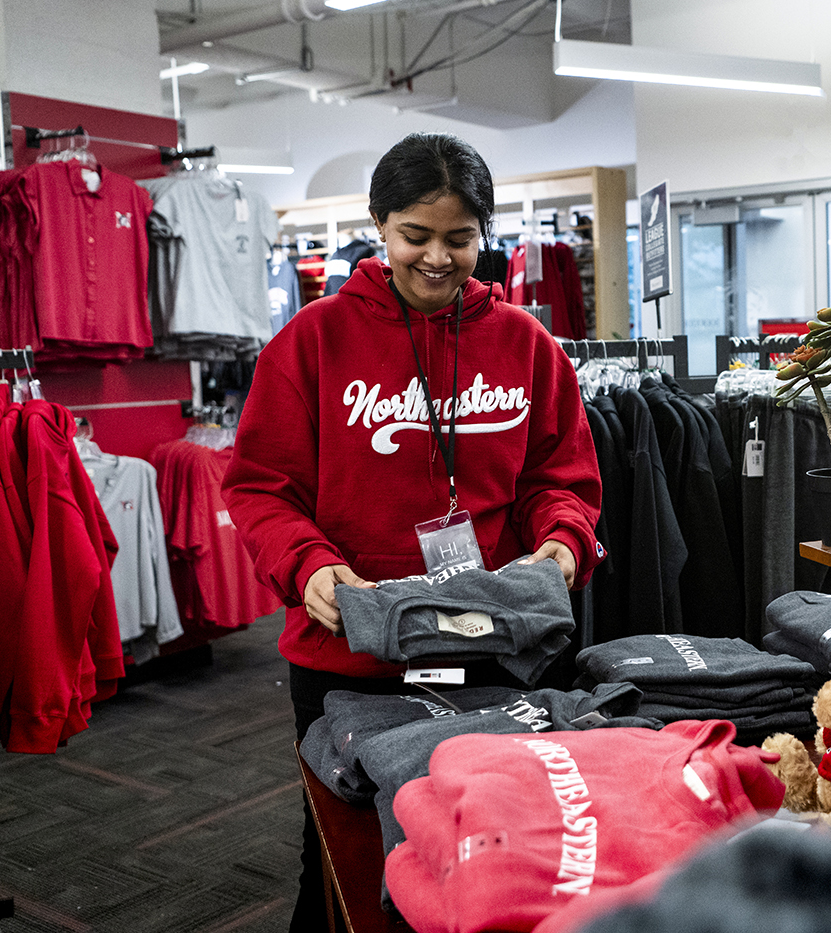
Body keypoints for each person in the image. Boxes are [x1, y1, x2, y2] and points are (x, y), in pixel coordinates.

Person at [220, 131, 603, 932]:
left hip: (492, 646)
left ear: (484, 236)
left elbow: (558, 479)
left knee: (493, 846)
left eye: (459, 239)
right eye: (415, 236)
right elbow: (260, 487)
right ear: (379, 224)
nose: (437, 257)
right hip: (347, 657)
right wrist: (308, 566)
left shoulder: (528, 345)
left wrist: (562, 540)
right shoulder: (311, 342)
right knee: (344, 858)